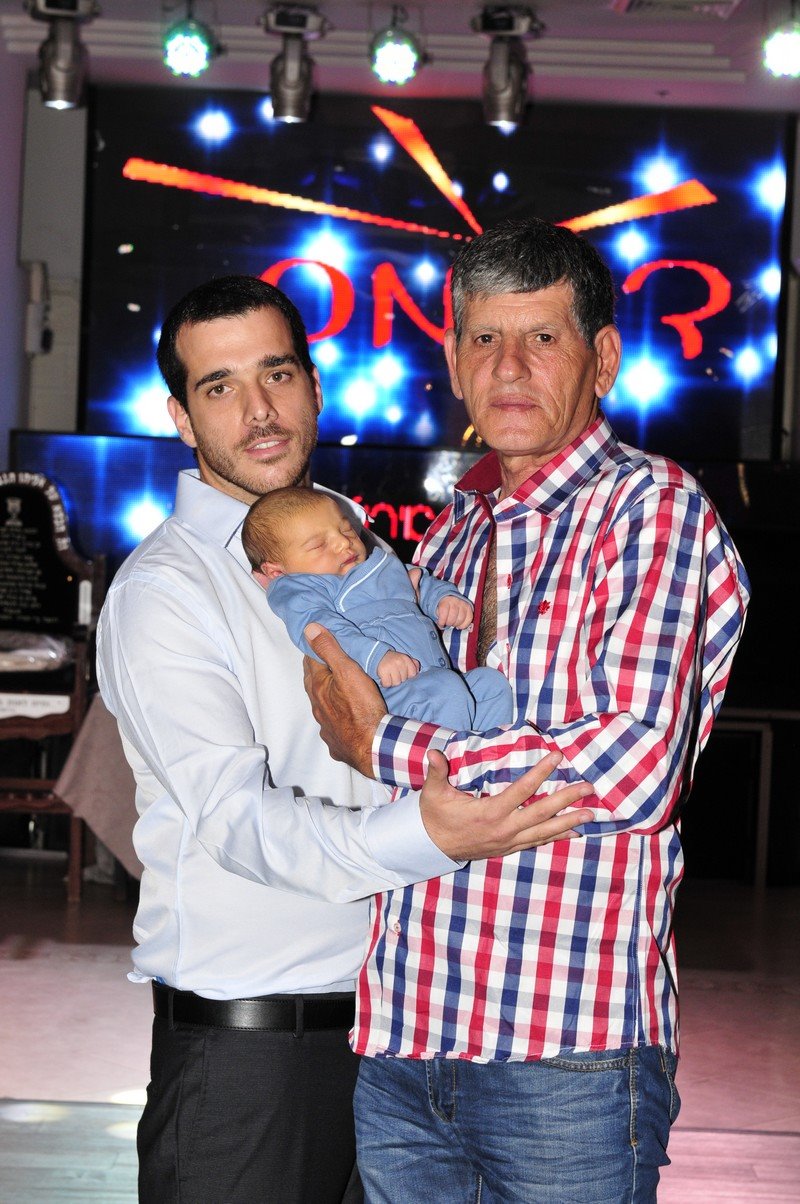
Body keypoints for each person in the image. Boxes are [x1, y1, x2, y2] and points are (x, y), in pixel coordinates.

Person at [95, 273, 595, 1204]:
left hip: (405, 1044)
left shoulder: (358, 545)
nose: (259, 411)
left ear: (315, 387)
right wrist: (430, 834)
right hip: (252, 1061)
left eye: (277, 374)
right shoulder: (164, 592)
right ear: (181, 417)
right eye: (220, 387)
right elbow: (238, 821)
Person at [303, 218, 751, 1203]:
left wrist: (383, 741)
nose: (508, 366)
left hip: (564, 1054)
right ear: (453, 360)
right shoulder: (452, 536)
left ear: (602, 359)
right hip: (406, 1037)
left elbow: (633, 765)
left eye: (542, 337)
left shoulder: (651, 510)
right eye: (483, 338)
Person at [242, 486, 513, 731]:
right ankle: (449, 763)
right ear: (277, 571)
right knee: (447, 689)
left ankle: (488, 757)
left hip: (434, 679)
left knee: (491, 685)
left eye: (347, 530)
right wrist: (376, 657)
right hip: (386, 692)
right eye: (318, 545)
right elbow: (323, 631)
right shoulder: (300, 590)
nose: (343, 543)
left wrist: (443, 599)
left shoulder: (377, 566)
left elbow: (415, 580)